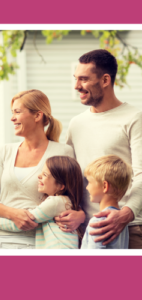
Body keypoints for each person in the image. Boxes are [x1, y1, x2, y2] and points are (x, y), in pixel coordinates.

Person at [59, 49, 142, 249]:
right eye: (76, 78)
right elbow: (70, 175)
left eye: (84, 79)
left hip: (128, 228)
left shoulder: (134, 118)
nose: (77, 86)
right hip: (87, 228)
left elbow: (141, 173)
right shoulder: (77, 123)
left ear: (105, 80)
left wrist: (125, 214)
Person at [0, 89, 85, 249]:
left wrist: (81, 215)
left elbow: (72, 197)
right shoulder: (5, 151)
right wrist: (13, 214)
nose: (12, 118)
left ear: (37, 116)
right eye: (12, 112)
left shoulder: (63, 152)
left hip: (38, 241)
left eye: (17, 112)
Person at [0, 156, 83, 249]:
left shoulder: (54, 203)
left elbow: (25, 221)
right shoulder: (66, 202)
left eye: (45, 174)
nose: (39, 175)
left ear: (61, 186)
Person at [81, 155, 132, 249]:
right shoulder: (122, 223)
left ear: (105, 186)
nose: (87, 187)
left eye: (89, 182)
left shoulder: (98, 221)